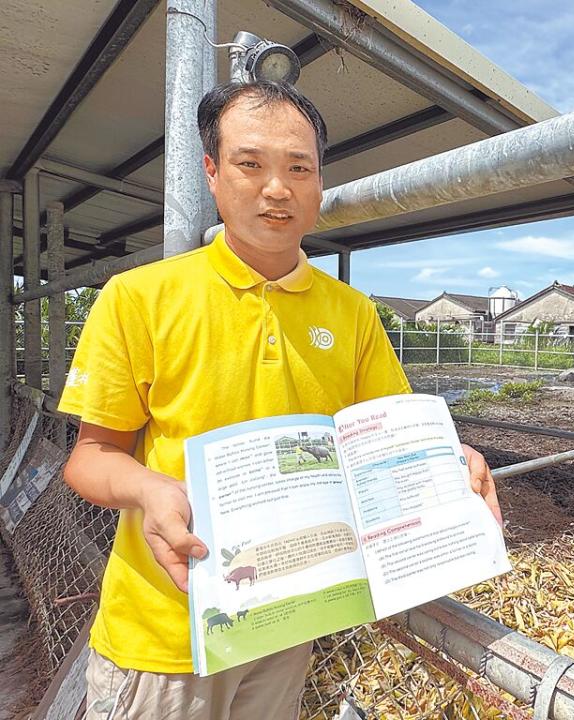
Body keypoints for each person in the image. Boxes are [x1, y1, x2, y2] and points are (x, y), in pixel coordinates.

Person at [60, 80, 502, 720]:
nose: (277, 188)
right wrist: (149, 490)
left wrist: (450, 461)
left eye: (300, 168)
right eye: (250, 164)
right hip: (166, 631)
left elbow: (389, 439)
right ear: (211, 173)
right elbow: (92, 455)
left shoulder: (351, 315)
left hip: (293, 617)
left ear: (319, 182)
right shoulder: (138, 298)